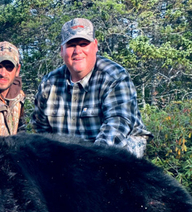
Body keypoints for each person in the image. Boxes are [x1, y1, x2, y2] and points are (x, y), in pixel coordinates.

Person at [32, 18, 152, 157]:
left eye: (84, 44)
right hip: (74, 153)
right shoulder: (49, 84)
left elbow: (117, 127)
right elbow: (42, 130)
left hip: (113, 146)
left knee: (118, 157)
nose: (78, 51)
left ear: (95, 46)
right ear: (62, 51)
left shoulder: (114, 77)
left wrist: (88, 163)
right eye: (71, 45)